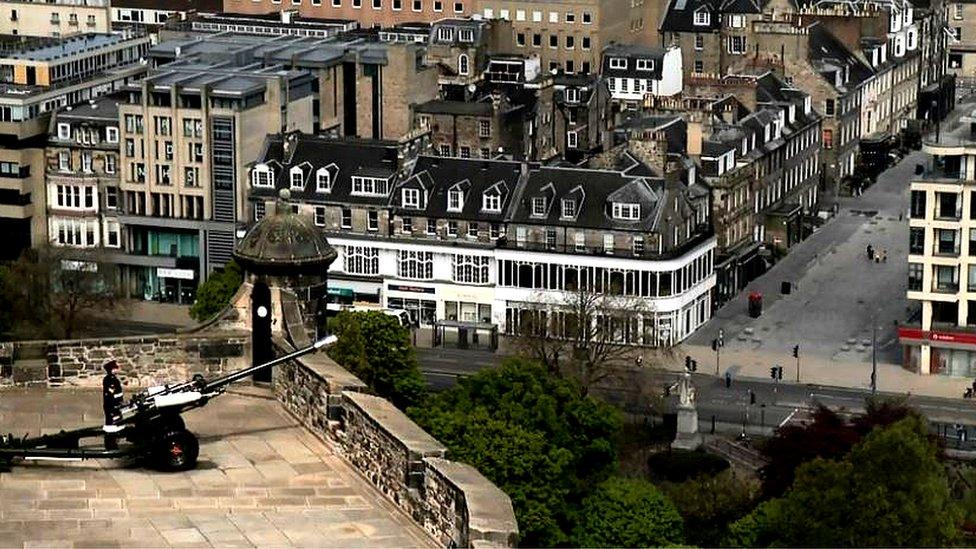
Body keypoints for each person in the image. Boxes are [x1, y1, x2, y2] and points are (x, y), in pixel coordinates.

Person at [102, 360, 123, 450]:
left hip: (115, 406)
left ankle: (112, 443)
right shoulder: (109, 380)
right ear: (112, 369)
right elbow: (111, 395)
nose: (118, 369)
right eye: (116, 368)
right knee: (110, 425)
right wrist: (115, 406)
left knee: (114, 425)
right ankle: (110, 445)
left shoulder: (113, 379)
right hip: (111, 406)